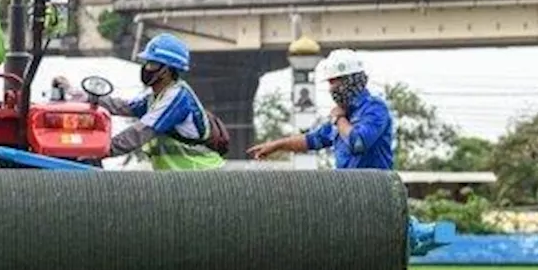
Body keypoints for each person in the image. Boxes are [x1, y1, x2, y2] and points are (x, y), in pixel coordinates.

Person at [53, 33, 226, 170]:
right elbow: (123, 106)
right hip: (178, 178)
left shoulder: (177, 98)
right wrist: (77, 93)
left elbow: (142, 131)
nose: (145, 68)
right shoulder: (156, 97)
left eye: (151, 64)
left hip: (201, 176)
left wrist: (100, 150)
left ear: (165, 70)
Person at [247, 49, 394, 169]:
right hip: (349, 190)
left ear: (349, 81)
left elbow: (358, 143)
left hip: (375, 192)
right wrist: (276, 145)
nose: (331, 89)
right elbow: (312, 140)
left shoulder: (374, 109)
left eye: (333, 82)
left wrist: (339, 119)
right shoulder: (344, 113)